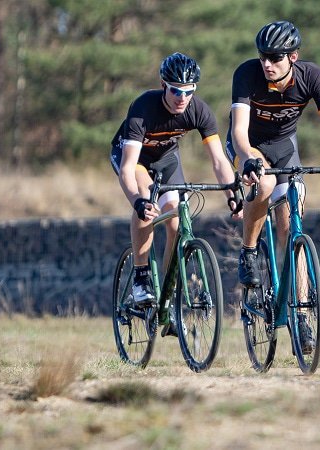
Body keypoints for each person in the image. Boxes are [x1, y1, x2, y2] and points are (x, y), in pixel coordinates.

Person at [110, 52, 241, 336]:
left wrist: (232, 192)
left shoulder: (199, 111)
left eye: (189, 92)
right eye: (176, 91)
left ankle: (167, 297)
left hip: (168, 161)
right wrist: (137, 201)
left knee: (177, 223)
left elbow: (219, 160)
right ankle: (142, 278)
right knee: (147, 203)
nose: (182, 97)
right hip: (134, 159)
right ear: (163, 85)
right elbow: (127, 169)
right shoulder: (144, 107)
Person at [228, 20, 320, 289]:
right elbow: (238, 130)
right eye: (263, 56)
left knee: (291, 224)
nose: (267, 64)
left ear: (293, 57)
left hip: (285, 146)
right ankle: (249, 251)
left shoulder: (313, 77)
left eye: (275, 58)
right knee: (264, 183)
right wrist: (249, 159)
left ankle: (301, 310)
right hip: (249, 145)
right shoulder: (247, 74)